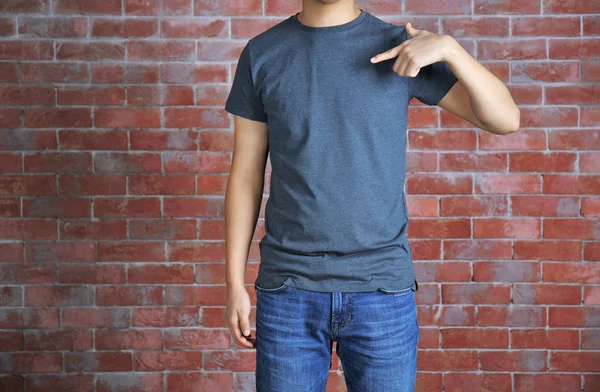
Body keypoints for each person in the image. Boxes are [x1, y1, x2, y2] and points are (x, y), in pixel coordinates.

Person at [224, 1, 520, 391]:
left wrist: (450, 48)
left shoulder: (399, 45)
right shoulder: (263, 52)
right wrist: (234, 284)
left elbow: (505, 119)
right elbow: (245, 176)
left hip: (382, 290)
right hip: (288, 290)